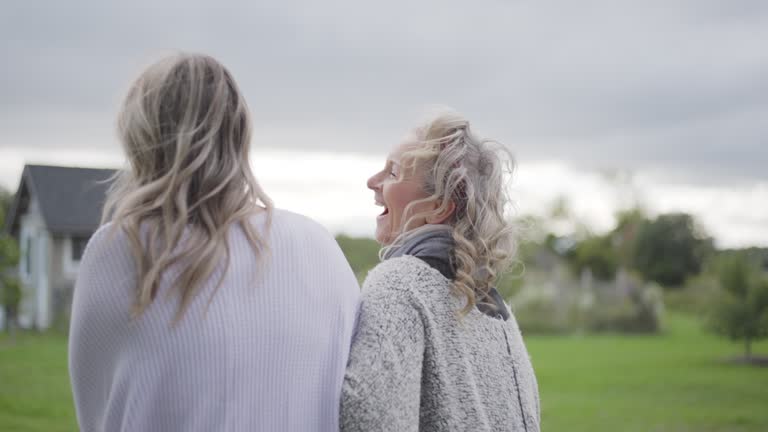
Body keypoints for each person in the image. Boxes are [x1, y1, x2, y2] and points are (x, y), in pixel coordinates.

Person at [68, 53, 360, 432]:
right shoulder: (321, 248)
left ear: (141, 137)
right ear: (239, 132)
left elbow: (98, 414)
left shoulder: (124, 250)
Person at [341, 111, 540, 432]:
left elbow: (368, 416)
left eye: (392, 172)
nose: (372, 181)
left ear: (438, 206)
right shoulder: (497, 309)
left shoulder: (400, 283)